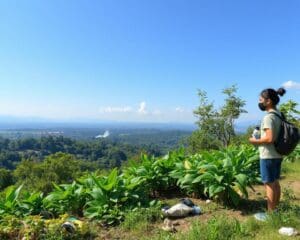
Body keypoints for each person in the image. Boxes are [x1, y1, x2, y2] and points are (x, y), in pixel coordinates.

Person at [249, 87, 286, 221]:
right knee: (275, 183)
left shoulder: (268, 117)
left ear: (268, 101)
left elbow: (269, 138)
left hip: (268, 155)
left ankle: (270, 215)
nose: (259, 102)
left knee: (269, 184)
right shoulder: (279, 114)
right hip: (278, 154)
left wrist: (255, 140)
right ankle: (275, 210)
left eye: (261, 100)